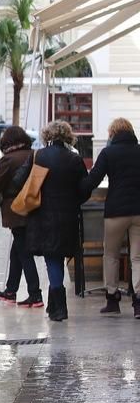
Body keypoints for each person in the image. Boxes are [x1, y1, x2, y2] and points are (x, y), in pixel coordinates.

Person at [20, 120, 88, 322]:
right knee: (58, 256)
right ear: (68, 136)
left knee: (52, 258)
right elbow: (84, 188)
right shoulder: (75, 159)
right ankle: (54, 305)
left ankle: (59, 307)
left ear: (47, 136)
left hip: (43, 215)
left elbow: (20, 180)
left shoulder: (39, 156)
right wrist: (74, 200)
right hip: (68, 216)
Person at [0, 126, 42, 307]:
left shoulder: (8, 159)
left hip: (15, 209)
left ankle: (35, 294)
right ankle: (11, 290)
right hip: (33, 206)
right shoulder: (34, 155)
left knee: (24, 252)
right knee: (17, 251)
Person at [81, 117, 140, 318]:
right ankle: (138, 303)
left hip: (116, 212)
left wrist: (76, 190)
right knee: (137, 258)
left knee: (111, 255)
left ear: (112, 134)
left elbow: (93, 180)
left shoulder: (108, 153)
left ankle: (113, 299)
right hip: (139, 211)